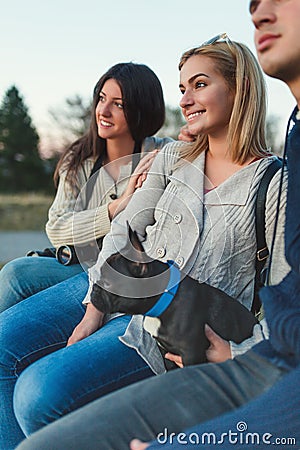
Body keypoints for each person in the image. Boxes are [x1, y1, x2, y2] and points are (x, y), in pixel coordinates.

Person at [14, 2, 300, 449]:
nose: (184, 99)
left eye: (199, 85)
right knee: (19, 354)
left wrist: (236, 355)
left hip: (186, 338)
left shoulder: (277, 182)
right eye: (182, 87)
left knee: (39, 395)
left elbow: (286, 293)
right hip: (127, 308)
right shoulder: (172, 157)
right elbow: (122, 231)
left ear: (241, 88)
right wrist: (93, 313)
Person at [0, 62, 170, 314]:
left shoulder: (162, 152)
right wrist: (113, 208)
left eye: (119, 104)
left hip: (133, 272)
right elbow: (57, 228)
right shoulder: (79, 159)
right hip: (81, 264)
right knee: (15, 274)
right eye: (102, 98)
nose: (104, 110)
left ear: (142, 110)